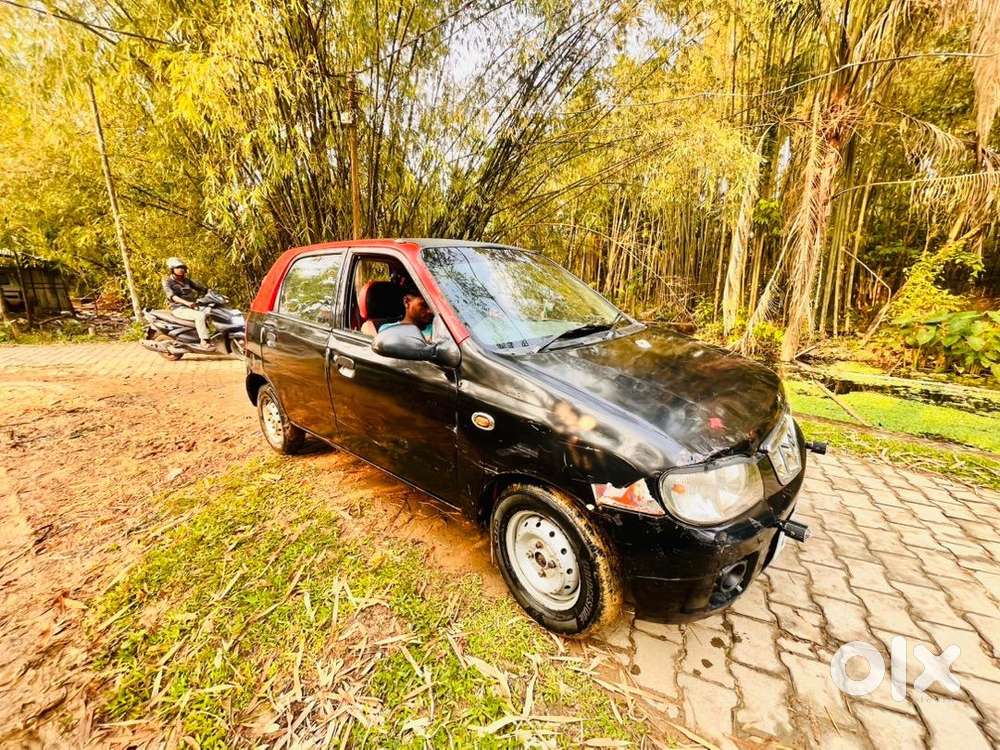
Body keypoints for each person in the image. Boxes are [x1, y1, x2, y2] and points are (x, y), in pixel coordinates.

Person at [162, 257, 214, 351]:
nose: (181, 269)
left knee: (212, 311)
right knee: (200, 316)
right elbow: (172, 296)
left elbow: (199, 287)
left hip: (192, 306)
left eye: (182, 267)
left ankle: (213, 336)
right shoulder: (167, 282)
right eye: (178, 267)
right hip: (179, 308)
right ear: (172, 269)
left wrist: (210, 291)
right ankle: (204, 341)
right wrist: (187, 303)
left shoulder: (186, 280)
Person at [362, 286, 435, 339]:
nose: (430, 311)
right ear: (406, 301)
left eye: (433, 306)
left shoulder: (437, 329)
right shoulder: (388, 329)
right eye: (424, 305)